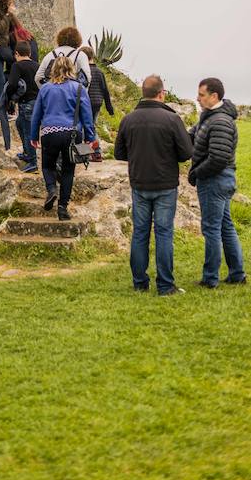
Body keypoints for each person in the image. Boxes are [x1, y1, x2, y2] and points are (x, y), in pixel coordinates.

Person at [114, 74, 193, 296]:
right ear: (161, 93)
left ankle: (140, 283)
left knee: (140, 233)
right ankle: (165, 285)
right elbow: (186, 153)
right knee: (164, 233)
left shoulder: (128, 119)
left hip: (139, 183)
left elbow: (119, 153)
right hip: (166, 184)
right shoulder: (172, 119)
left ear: (143, 93)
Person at [188, 77, 246, 288]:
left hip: (215, 179)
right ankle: (237, 274)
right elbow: (191, 135)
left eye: (201, 95)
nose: (198, 98)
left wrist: (197, 174)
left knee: (211, 229)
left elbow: (218, 158)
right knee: (225, 226)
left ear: (214, 96)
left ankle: (210, 278)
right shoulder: (209, 116)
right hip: (220, 179)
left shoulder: (220, 121)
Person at [30, 56, 95, 220]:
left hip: (49, 132)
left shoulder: (45, 88)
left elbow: (36, 114)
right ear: (71, 69)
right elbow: (87, 115)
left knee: (47, 166)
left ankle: (52, 189)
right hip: (72, 134)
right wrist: (90, 137)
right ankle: (62, 208)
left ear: (53, 70)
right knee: (68, 171)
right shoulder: (79, 88)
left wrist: (33, 136)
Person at [6, 39, 39, 172]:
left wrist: (9, 98)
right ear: (30, 53)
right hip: (37, 102)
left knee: (27, 131)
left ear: (17, 53)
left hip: (26, 103)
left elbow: (12, 83)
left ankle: (32, 161)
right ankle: (27, 153)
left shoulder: (17, 66)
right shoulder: (36, 65)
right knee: (20, 124)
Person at [81, 45, 114, 159]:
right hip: (97, 103)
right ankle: (96, 152)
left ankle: (86, 153)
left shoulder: (82, 71)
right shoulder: (99, 72)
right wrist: (109, 108)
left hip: (84, 103)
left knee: (83, 128)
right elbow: (105, 90)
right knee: (92, 127)